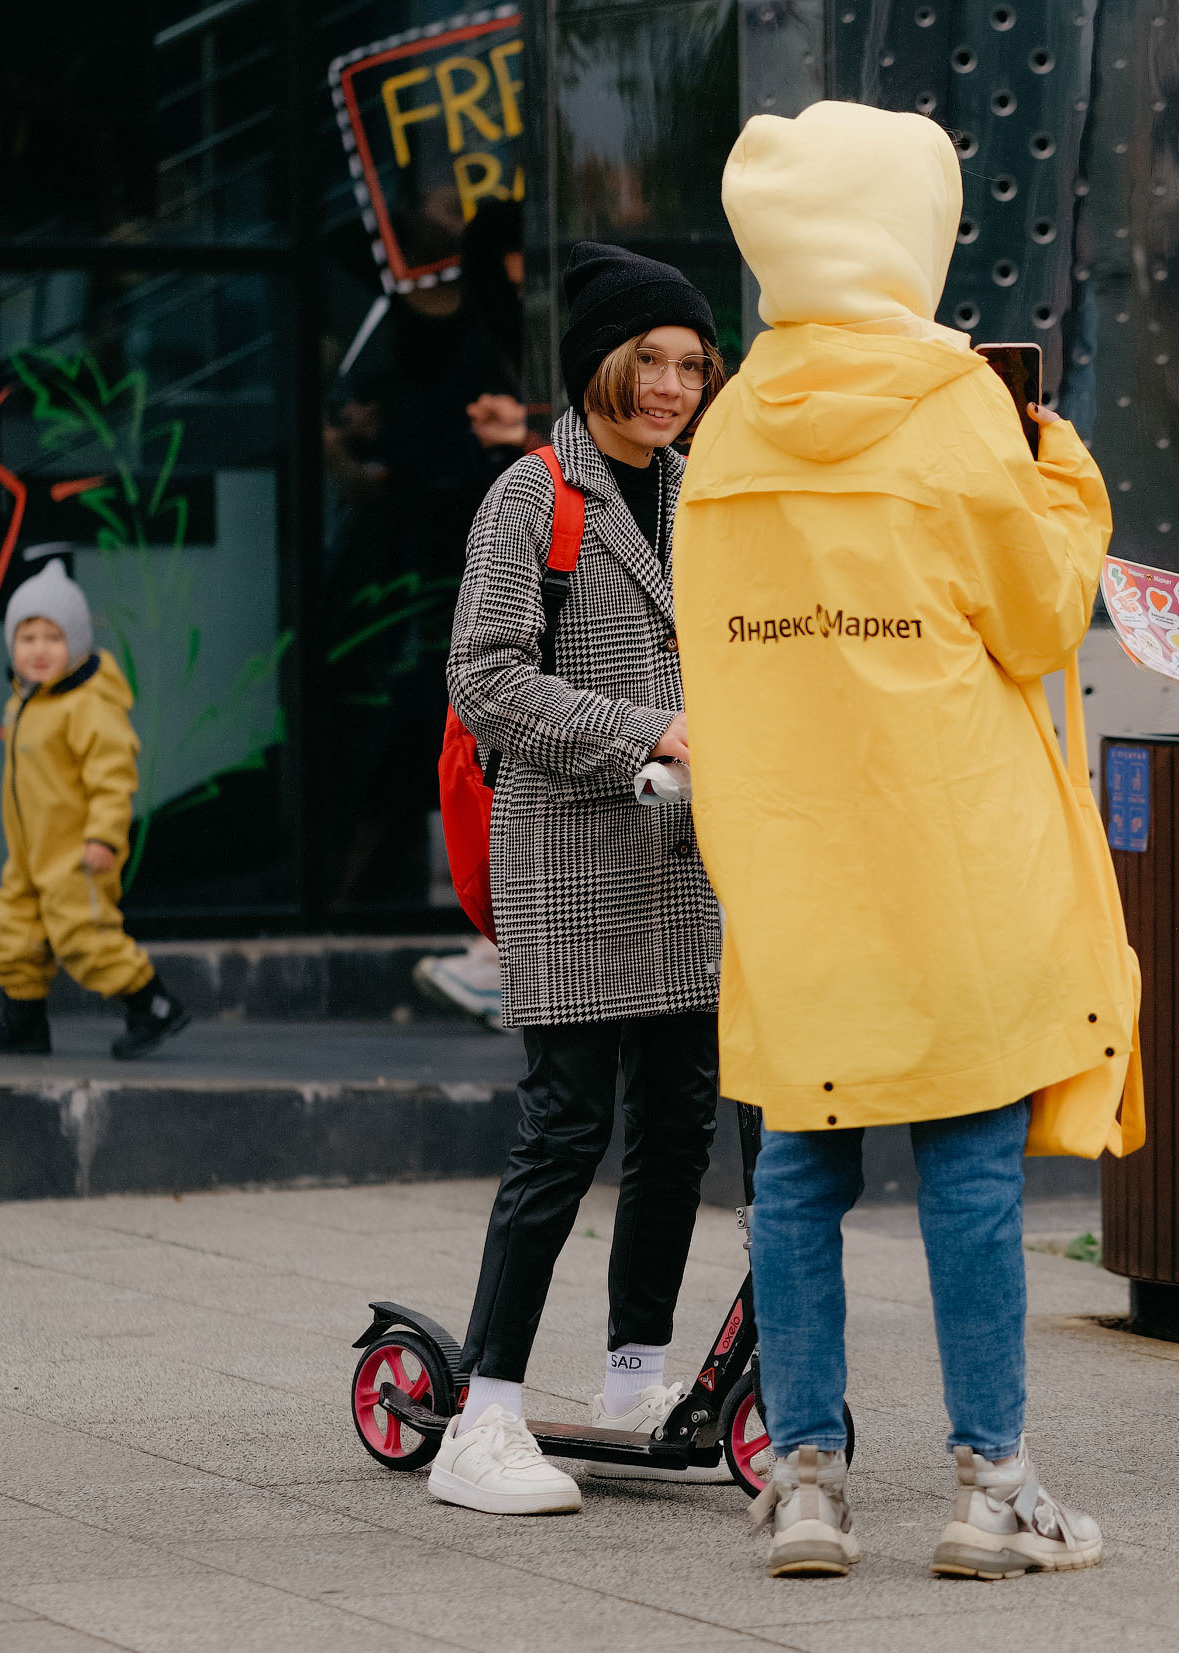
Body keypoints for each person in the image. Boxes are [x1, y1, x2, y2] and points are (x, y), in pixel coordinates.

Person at [674, 100, 1141, 1580]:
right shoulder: (953, 404)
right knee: (972, 1167)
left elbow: (717, 650)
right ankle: (992, 1486)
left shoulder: (732, 420)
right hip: (952, 854)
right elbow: (1037, 613)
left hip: (797, 864)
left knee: (800, 1172)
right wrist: (1060, 468)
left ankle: (805, 1481)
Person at [431, 243, 731, 1516]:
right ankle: (483, 1418)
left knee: (677, 1128)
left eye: (690, 366)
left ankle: (632, 1380)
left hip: (687, 858)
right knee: (563, 1129)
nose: (670, 388)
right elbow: (484, 677)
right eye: (649, 361)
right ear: (600, 363)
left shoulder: (701, 492)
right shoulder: (530, 496)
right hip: (567, 852)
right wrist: (645, 729)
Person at [0, 559, 191, 1062]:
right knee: (14, 928)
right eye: (27, 638)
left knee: (82, 932)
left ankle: (150, 1003)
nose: (39, 650)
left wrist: (104, 837)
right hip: (30, 853)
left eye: (52, 637)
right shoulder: (25, 701)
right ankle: (24, 1021)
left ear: (78, 642)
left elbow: (112, 776)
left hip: (77, 852)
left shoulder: (88, 705)